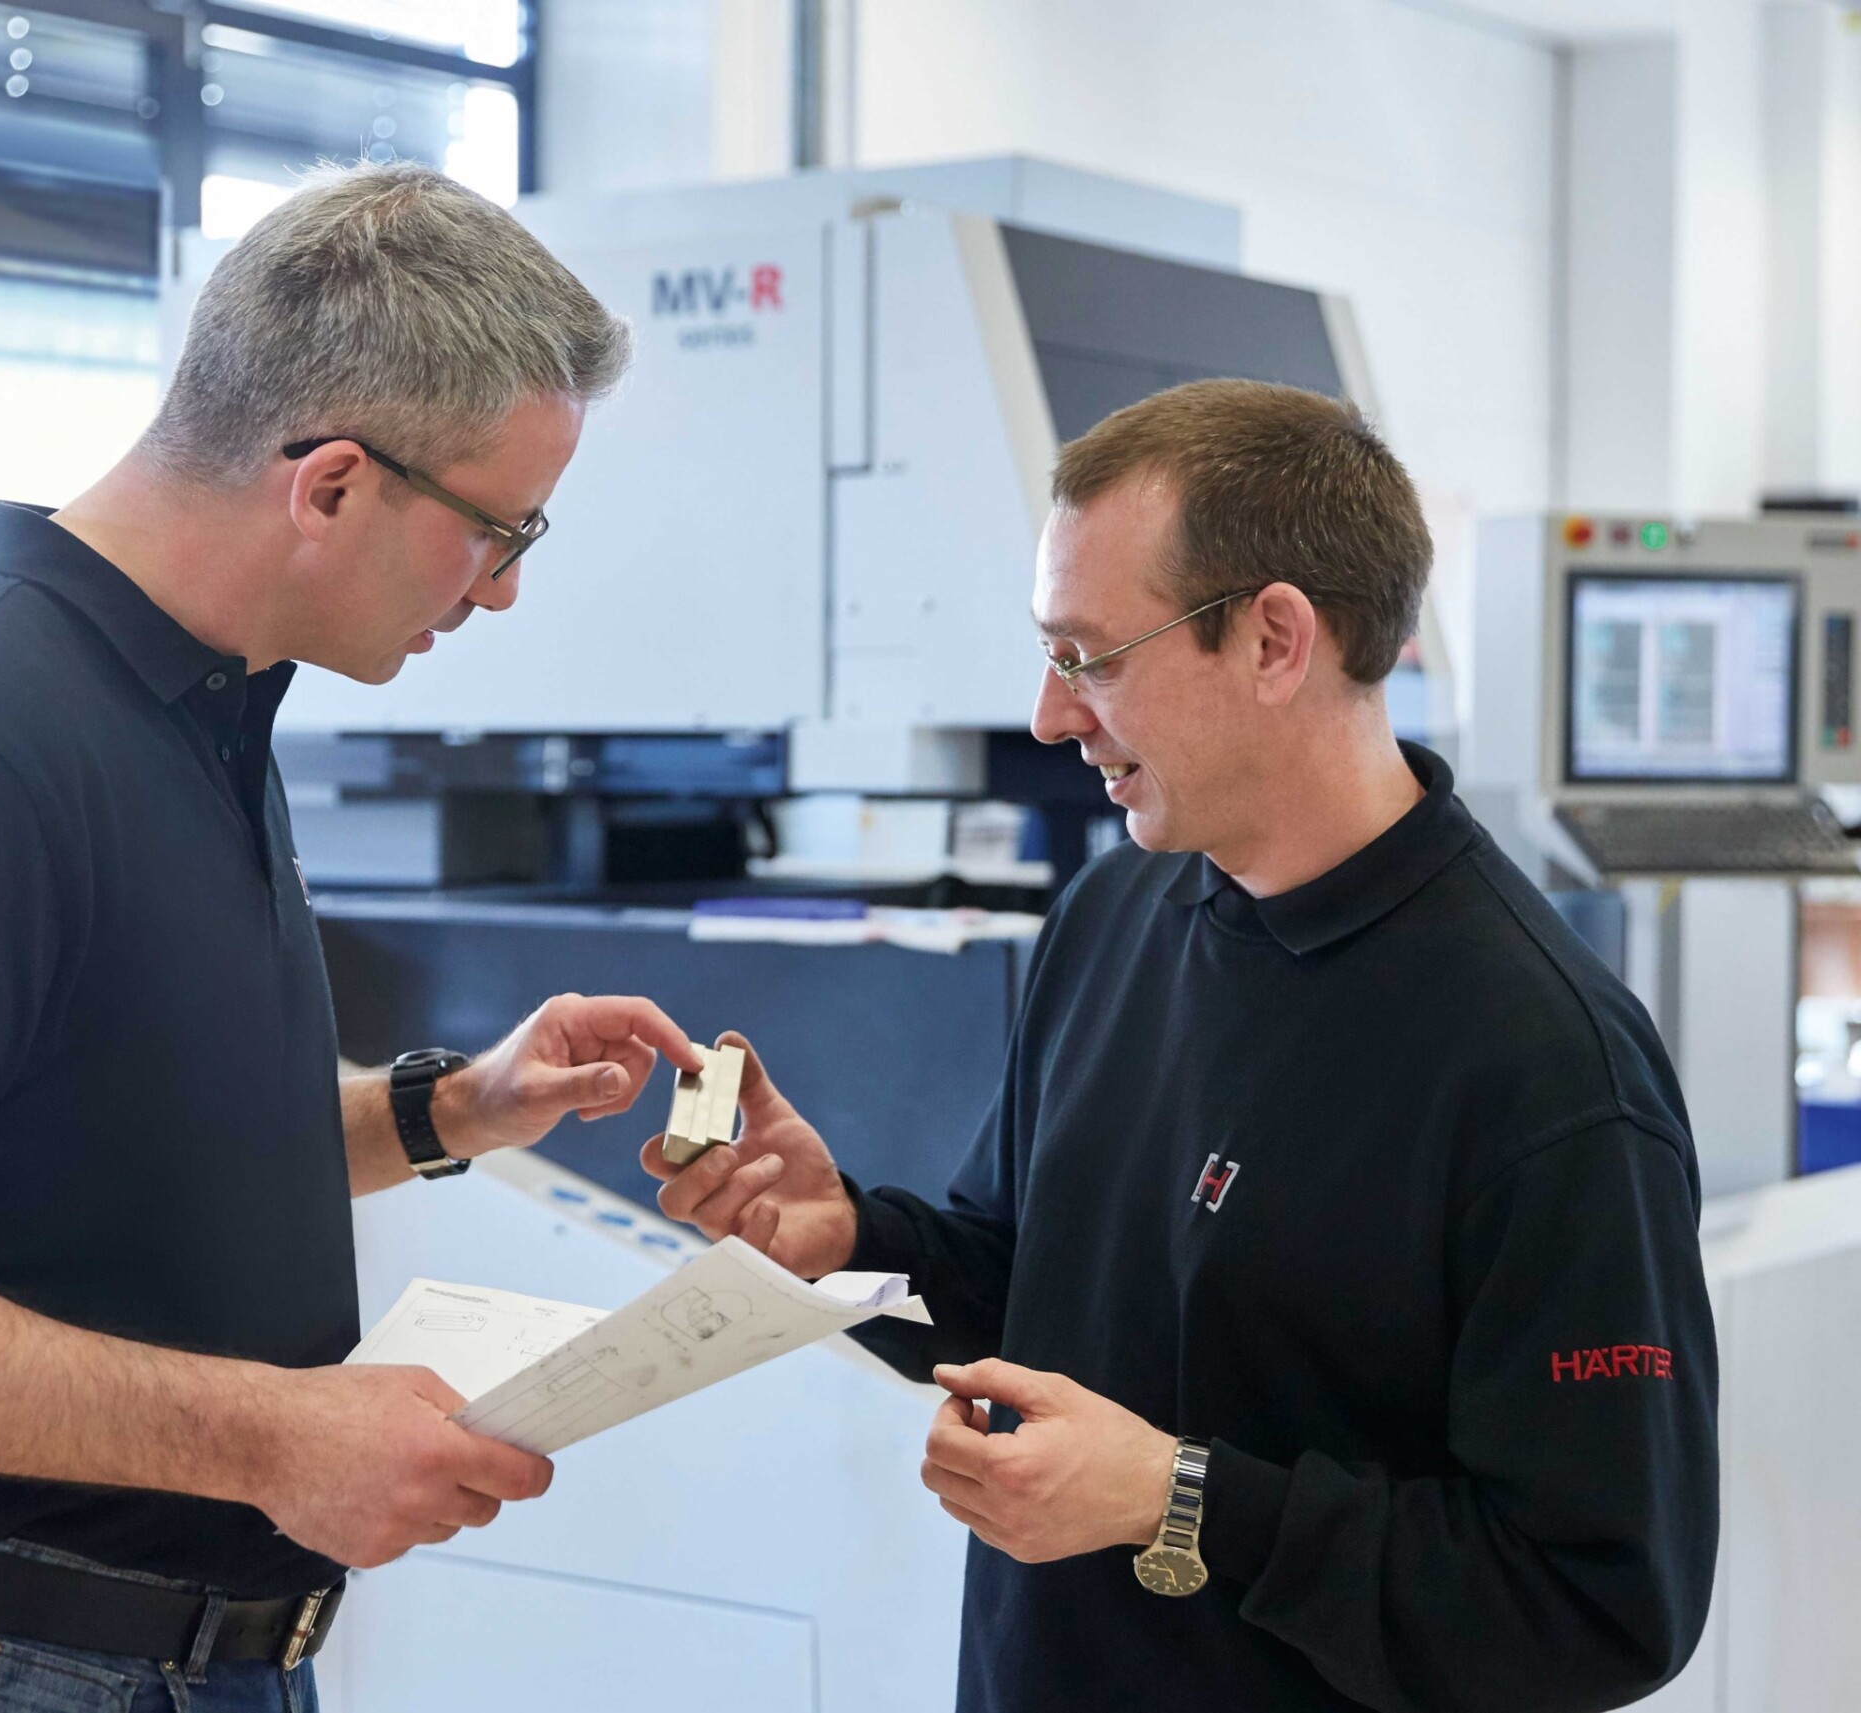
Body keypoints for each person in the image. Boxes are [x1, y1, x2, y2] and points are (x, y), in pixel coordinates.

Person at [0, 162, 701, 1713]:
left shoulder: (201, 710)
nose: (505, 590)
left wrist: (451, 1109)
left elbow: (112, 1159)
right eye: (498, 528)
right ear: (333, 481)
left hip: (169, 1660)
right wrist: (276, 1435)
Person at [648, 379, 1718, 1713]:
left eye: (1089, 654)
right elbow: (1022, 1279)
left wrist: (1181, 1500)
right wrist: (849, 1238)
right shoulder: (1114, 913)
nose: (1051, 714)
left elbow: (1601, 1600)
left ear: (1275, 640)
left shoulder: (1545, 1067)